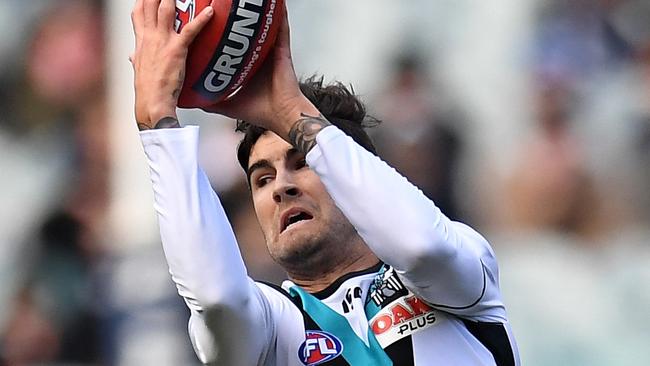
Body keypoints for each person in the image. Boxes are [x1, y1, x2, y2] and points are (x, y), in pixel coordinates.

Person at [130, 0, 519, 365]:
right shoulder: (276, 328)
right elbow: (218, 299)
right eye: (262, 179)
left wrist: (290, 112)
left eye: (301, 163)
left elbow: (421, 248)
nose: (281, 187)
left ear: (353, 177)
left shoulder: (465, 274)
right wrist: (158, 127)